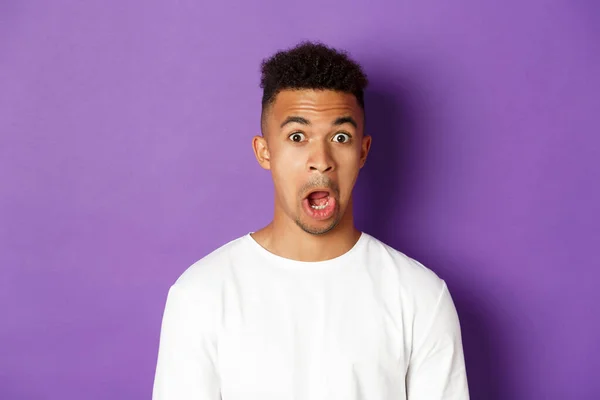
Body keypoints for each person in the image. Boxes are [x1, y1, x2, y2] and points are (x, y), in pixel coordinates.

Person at [152, 41, 470, 400]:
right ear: (265, 151)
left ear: (362, 151)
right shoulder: (200, 295)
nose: (321, 159)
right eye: (297, 137)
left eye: (340, 137)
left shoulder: (419, 297)